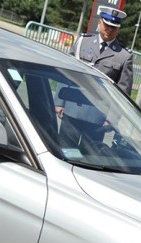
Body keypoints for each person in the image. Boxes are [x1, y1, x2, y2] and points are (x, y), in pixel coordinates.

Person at [54, 6, 133, 145]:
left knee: (88, 158)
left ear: (118, 30)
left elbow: (122, 92)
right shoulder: (82, 42)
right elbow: (67, 72)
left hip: (99, 117)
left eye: (113, 27)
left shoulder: (124, 56)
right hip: (72, 109)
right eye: (107, 25)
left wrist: (112, 119)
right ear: (99, 23)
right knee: (64, 150)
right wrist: (60, 102)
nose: (109, 30)